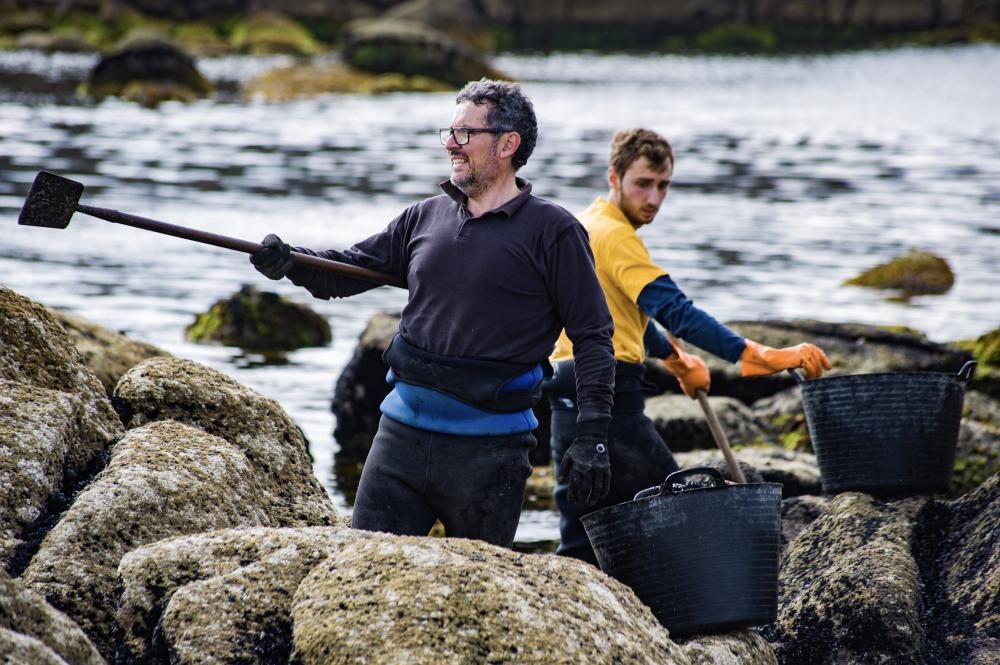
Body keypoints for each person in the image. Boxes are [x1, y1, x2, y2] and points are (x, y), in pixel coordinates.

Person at [249, 79, 616, 548]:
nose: (450, 143)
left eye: (465, 133)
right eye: (449, 130)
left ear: (508, 143)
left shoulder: (555, 232)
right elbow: (347, 272)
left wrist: (592, 438)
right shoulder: (424, 217)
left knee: (478, 596)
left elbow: (593, 338)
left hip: (491, 455)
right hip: (398, 441)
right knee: (360, 576)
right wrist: (290, 262)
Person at [546, 128, 832, 565]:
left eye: (663, 186)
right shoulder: (618, 237)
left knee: (585, 531)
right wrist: (757, 355)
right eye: (643, 183)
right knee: (681, 507)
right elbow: (674, 309)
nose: (655, 199)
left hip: (567, 392)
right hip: (610, 400)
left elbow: (613, 316)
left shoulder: (586, 226)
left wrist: (673, 359)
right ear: (614, 177)